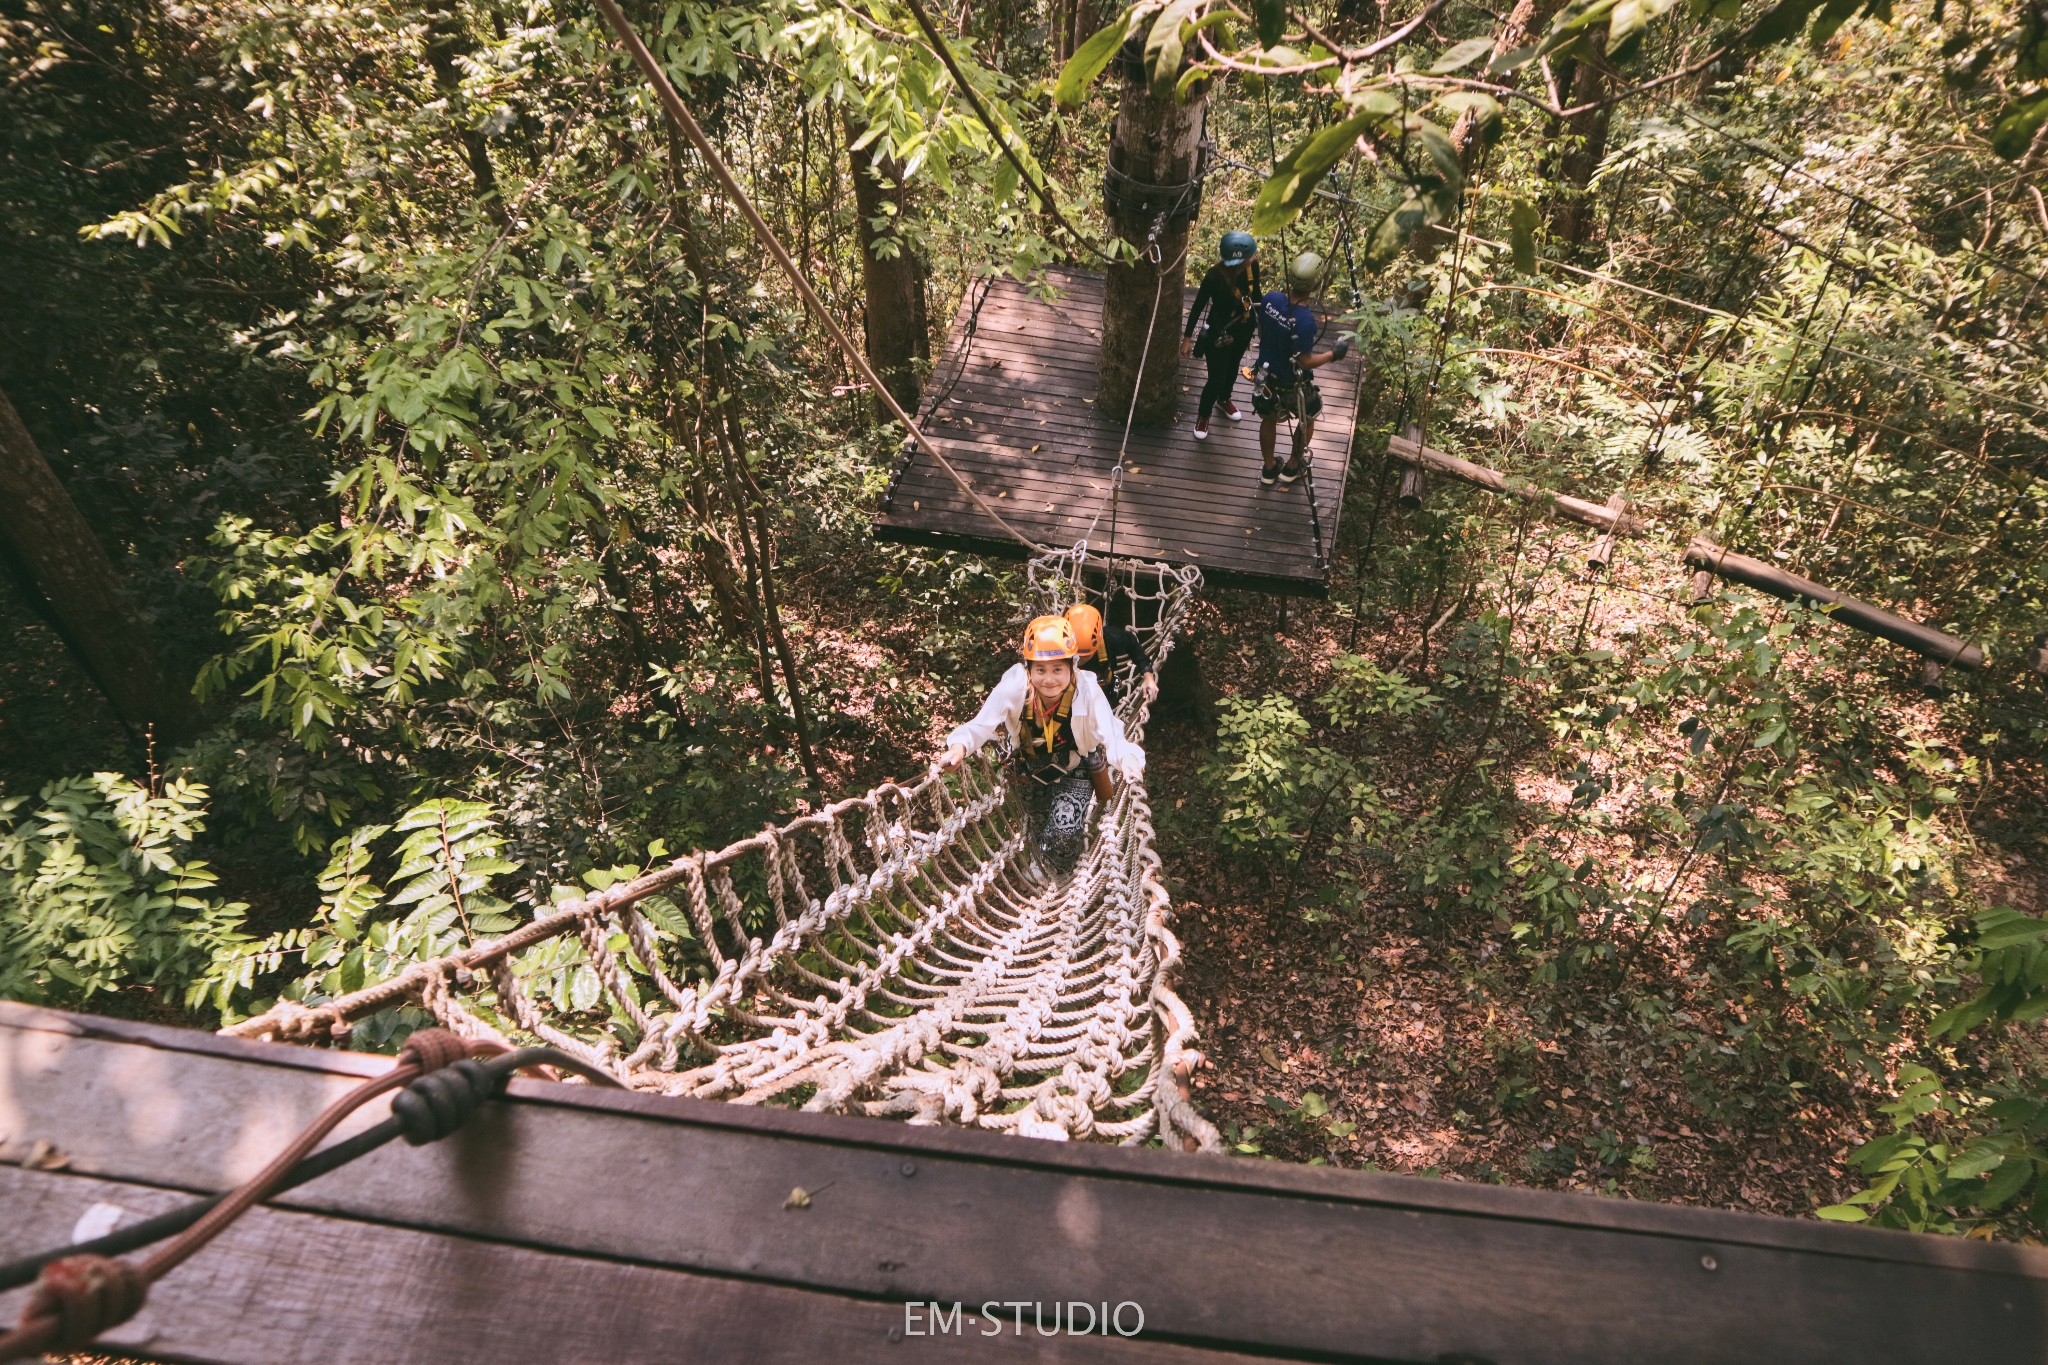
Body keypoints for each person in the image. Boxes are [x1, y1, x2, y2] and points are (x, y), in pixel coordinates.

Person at [936, 616, 1144, 878]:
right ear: (1029, 668)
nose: (1049, 679)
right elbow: (981, 725)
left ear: (1072, 666)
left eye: (1058, 669)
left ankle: (1061, 877)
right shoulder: (1015, 686)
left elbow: (1111, 734)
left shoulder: (1087, 690)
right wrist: (958, 749)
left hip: (1073, 765)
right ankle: (1046, 860)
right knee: (1040, 823)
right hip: (1029, 769)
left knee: (1064, 832)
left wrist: (1127, 758)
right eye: (1041, 670)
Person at [1251, 252, 1350, 488]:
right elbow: (1304, 362)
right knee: (1309, 415)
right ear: (1316, 284)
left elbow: (1263, 332)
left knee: (1268, 418)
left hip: (1263, 377)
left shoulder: (1270, 299)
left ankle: (1269, 467)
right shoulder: (1305, 321)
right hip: (1290, 384)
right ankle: (1294, 465)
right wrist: (1332, 354)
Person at [1180, 230, 1263, 441]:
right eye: (1250, 255)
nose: (1254, 257)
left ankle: (1224, 399)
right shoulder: (1214, 277)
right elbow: (1198, 306)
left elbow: (1257, 294)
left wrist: (1261, 322)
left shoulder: (1252, 267)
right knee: (1216, 378)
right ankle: (1203, 415)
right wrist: (1187, 338)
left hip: (1243, 328)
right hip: (1220, 331)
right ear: (1237, 259)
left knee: (1232, 368)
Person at [1064, 601, 1158, 708]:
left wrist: (1148, 675)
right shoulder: (1055, 645)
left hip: (1103, 692)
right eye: (1074, 654)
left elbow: (1133, 645)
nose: (1077, 659)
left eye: (1084, 655)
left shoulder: (1111, 638)